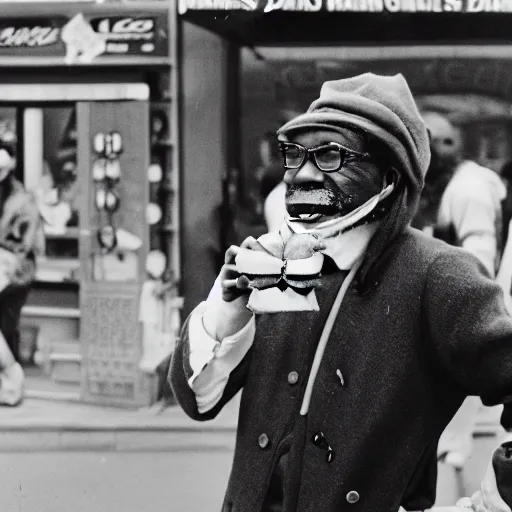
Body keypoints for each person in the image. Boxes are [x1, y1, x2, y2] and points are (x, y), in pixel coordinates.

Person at [170, 73, 512, 512]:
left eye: (331, 154)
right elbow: (199, 400)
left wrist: (491, 503)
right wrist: (225, 307)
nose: (303, 172)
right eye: (294, 153)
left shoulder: (437, 274)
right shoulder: (278, 259)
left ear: (390, 174)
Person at [0, 144, 40, 365]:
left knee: (7, 324)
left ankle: (11, 380)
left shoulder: (22, 200)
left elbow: (25, 244)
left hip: (15, 269)